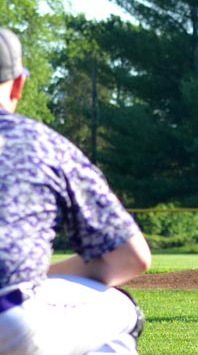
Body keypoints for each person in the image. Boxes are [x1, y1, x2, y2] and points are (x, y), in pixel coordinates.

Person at [0, 27, 152, 354]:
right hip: (9, 317)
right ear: (19, 86)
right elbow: (131, 258)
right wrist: (39, 273)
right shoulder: (43, 144)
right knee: (122, 311)